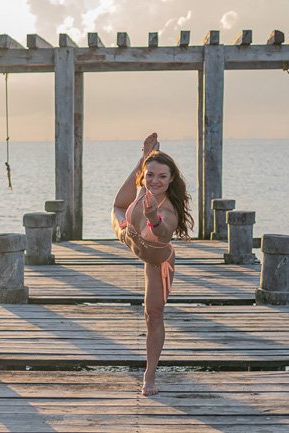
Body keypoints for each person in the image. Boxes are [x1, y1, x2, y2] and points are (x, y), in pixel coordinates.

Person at [111, 132, 194, 396]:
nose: (154, 181)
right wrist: (143, 160)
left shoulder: (167, 209)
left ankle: (150, 374)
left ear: (171, 180)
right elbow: (119, 204)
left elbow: (164, 234)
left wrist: (152, 218)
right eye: (150, 175)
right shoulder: (142, 189)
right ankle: (146, 159)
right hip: (131, 236)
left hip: (157, 259)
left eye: (162, 176)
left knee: (153, 315)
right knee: (116, 209)